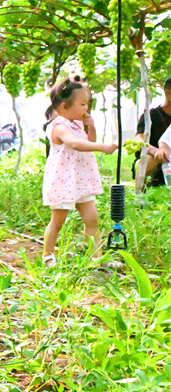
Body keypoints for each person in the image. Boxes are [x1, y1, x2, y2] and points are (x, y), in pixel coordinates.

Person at [42, 79, 118, 266]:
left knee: (92, 218)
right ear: (64, 106)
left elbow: (88, 139)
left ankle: (96, 257)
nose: (86, 107)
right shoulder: (59, 126)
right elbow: (75, 144)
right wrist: (102, 147)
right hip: (64, 180)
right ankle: (47, 255)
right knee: (58, 220)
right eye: (83, 104)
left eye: (88, 103)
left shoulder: (76, 124)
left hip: (81, 179)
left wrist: (90, 126)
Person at [132, 77, 171, 188]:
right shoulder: (151, 116)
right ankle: (141, 199)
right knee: (150, 160)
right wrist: (155, 151)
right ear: (168, 93)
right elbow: (138, 140)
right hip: (156, 160)